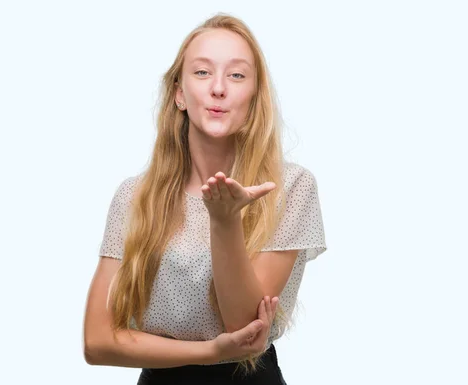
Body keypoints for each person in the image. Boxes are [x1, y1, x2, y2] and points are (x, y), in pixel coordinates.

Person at [83, 13, 327, 385]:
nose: (218, 88)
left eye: (237, 75)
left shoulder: (289, 187)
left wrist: (224, 220)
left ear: (254, 96)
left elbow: (244, 329)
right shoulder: (134, 197)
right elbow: (97, 342)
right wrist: (211, 352)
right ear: (180, 93)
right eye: (202, 72)